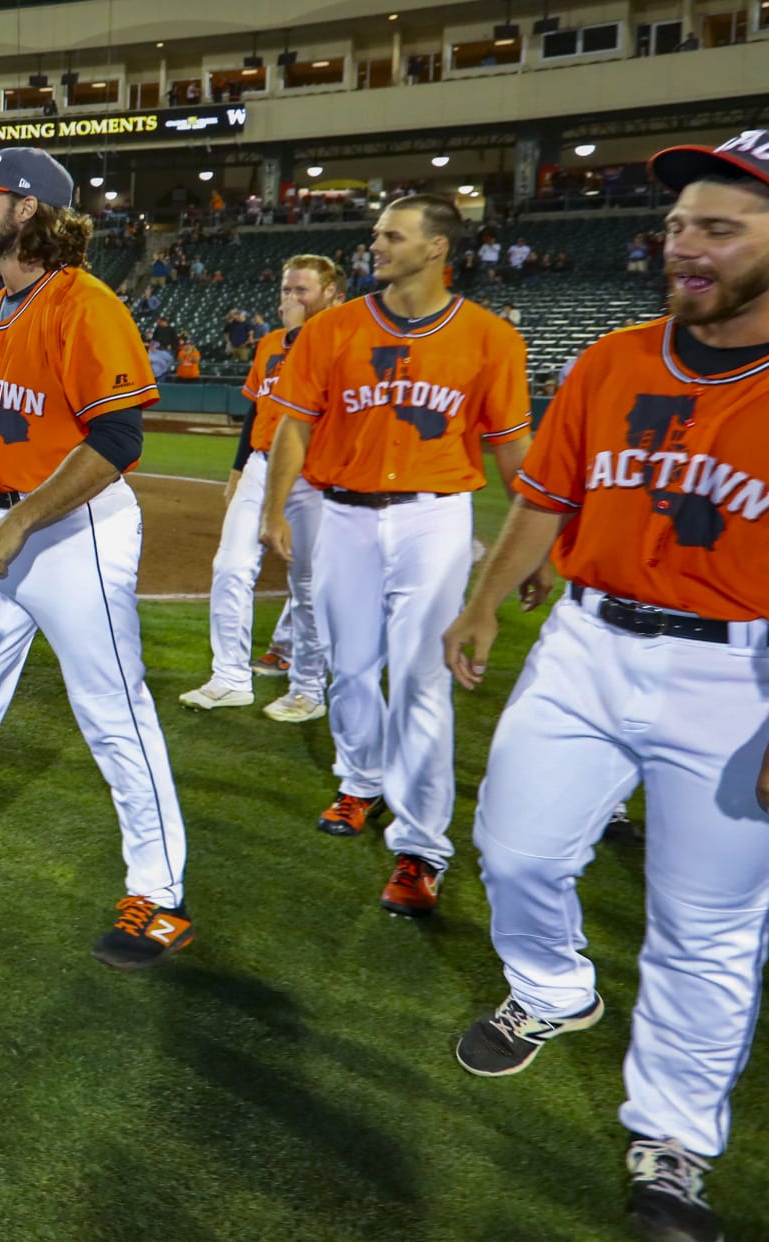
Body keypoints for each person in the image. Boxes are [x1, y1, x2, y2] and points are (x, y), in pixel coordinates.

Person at [443, 134, 769, 1242]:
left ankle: (672, 1140)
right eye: (679, 224)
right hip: (585, 639)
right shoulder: (614, 358)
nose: (684, 245)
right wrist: (487, 599)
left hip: (741, 672)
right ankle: (553, 987)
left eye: (718, 228)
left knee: (707, 923)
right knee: (517, 849)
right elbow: (544, 496)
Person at [0, 147, 190, 970]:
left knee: (113, 709)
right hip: (11, 531)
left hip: (76, 531)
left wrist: (20, 528)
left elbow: (117, 439)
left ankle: (159, 895)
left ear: (28, 212)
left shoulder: (85, 304)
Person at [259, 193, 535, 915]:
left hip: (433, 519)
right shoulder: (334, 328)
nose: (374, 245)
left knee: (420, 679)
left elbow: (513, 447)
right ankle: (359, 781)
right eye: (376, 233)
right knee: (350, 669)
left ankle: (420, 846)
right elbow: (293, 428)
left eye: (392, 235)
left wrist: (537, 550)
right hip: (344, 514)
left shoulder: (490, 337)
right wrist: (272, 508)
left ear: (437, 247)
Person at [180, 256, 341, 722]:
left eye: (301, 291)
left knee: (307, 583)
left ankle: (308, 688)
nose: (290, 299)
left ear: (329, 292)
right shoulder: (270, 343)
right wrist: (235, 469)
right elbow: (254, 409)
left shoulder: (341, 341)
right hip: (260, 464)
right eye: (286, 290)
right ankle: (230, 678)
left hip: (314, 476)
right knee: (230, 566)